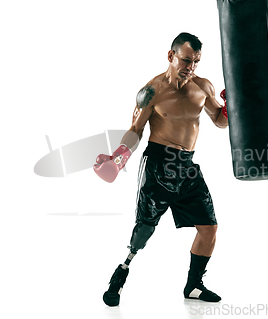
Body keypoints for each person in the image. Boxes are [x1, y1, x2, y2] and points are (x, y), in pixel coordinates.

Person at [93, 32, 229, 306]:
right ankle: (121, 273)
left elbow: (219, 121)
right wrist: (118, 158)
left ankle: (193, 286)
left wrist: (231, 108)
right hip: (159, 164)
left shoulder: (203, 87)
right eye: (186, 60)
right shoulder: (152, 91)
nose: (191, 67)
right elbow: (135, 130)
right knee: (144, 228)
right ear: (171, 56)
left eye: (196, 62)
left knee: (209, 228)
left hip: (187, 167)